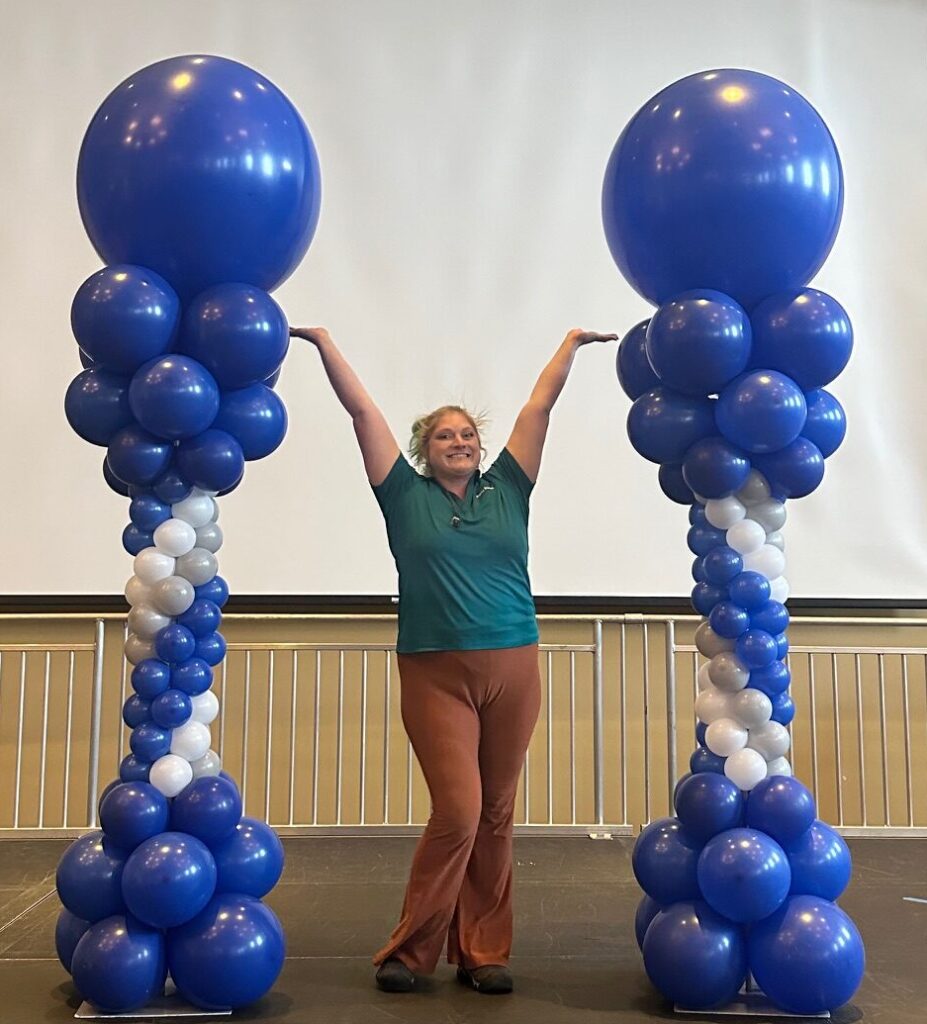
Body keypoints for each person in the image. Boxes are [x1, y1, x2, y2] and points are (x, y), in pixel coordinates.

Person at [289, 324, 617, 994]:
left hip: (514, 665)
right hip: (434, 672)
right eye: (445, 436)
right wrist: (323, 343)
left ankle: (484, 952)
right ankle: (409, 953)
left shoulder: (508, 488)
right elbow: (362, 413)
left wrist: (570, 344)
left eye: (467, 435)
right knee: (459, 812)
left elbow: (537, 410)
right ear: (423, 450)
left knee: (496, 813)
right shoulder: (400, 495)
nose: (459, 443)